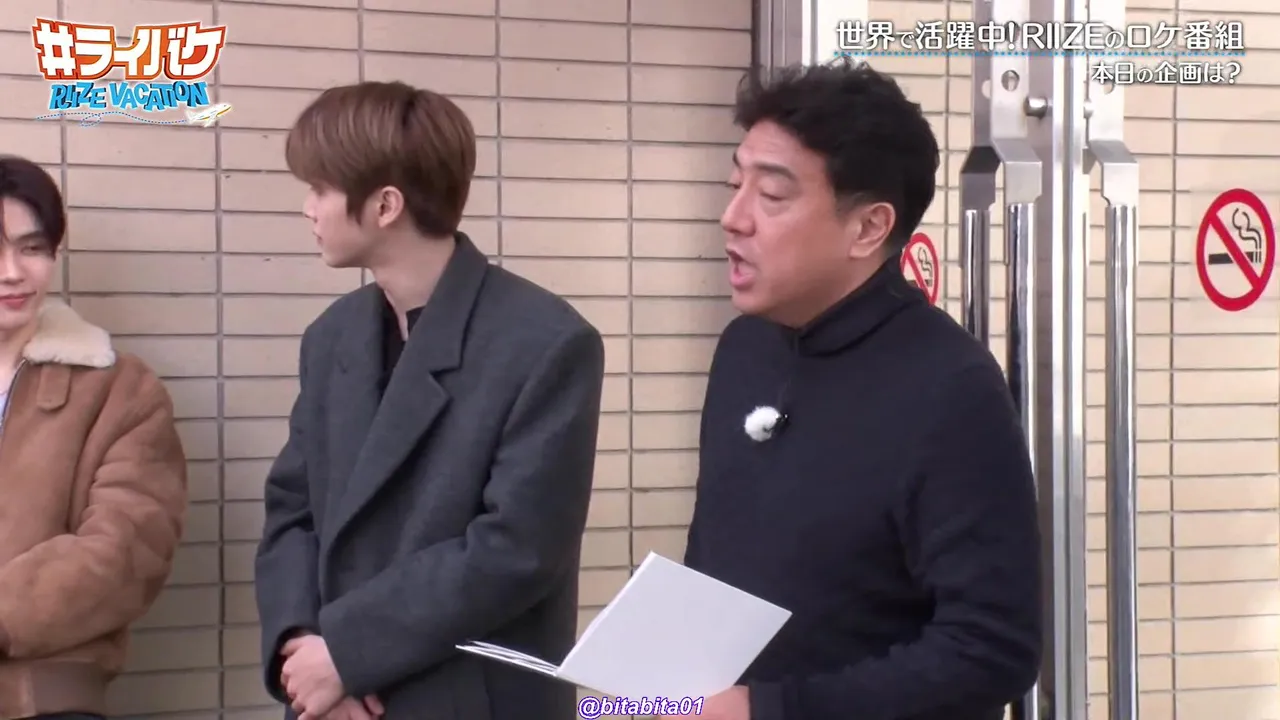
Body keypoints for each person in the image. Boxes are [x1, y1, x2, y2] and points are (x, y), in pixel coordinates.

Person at [665, 61, 1042, 720]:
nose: (733, 218)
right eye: (734, 184)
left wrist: (771, 710)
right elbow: (718, 568)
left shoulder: (950, 388)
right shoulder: (744, 349)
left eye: (771, 196)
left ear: (868, 228)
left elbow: (990, 649)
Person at [253, 81, 606, 720]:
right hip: (331, 697)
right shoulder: (331, 337)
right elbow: (291, 511)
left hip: (467, 697)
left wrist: (348, 653)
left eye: (320, 189)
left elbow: (516, 547)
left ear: (385, 205)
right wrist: (302, 650)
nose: (308, 209)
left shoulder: (545, 342)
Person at [0, 155, 188, 720]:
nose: (12, 271)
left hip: (43, 694)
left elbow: (128, 547)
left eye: (33, 248)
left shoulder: (121, 390)